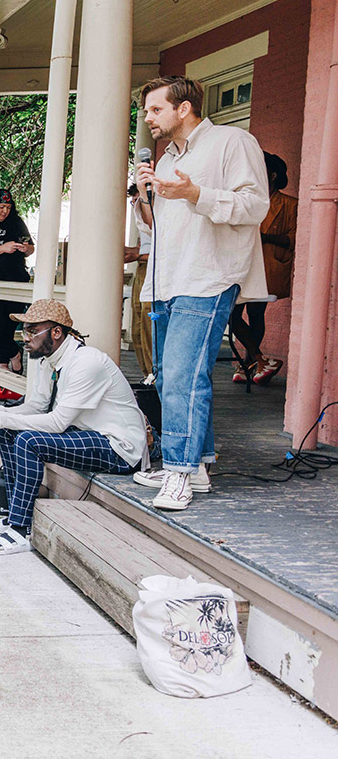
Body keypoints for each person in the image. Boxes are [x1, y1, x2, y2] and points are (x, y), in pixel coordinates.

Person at [137, 75, 269, 511]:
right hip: (168, 278)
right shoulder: (168, 158)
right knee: (168, 373)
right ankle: (197, 466)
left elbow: (255, 206)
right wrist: (144, 198)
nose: (148, 117)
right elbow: (166, 228)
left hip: (209, 277)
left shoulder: (233, 141)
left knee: (181, 376)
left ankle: (177, 473)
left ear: (184, 108)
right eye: (146, 110)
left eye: (156, 109)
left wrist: (195, 192)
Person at [0, 300, 147, 555]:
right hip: (82, 433)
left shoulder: (86, 362)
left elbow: (57, 422)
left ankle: (20, 529)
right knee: (7, 431)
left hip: (117, 446)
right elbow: (37, 406)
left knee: (29, 441)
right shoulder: (45, 358)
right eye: (24, 331)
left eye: (32, 331)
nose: (25, 338)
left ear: (56, 332)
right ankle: (14, 512)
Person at [229, 152, 297, 384]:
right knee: (232, 314)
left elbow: (294, 238)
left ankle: (250, 361)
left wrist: (265, 237)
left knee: (256, 313)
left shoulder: (289, 204)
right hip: (242, 264)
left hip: (267, 266)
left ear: (272, 175)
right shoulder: (249, 199)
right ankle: (258, 360)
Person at [0, 189, 34, 373]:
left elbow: (31, 247)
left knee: (8, 325)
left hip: (15, 280)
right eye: (1, 207)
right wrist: (3, 248)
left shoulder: (16, 222)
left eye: (8, 207)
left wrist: (24, 248)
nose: (5, 211)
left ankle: (3, 369)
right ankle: (14, 353)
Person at [125, 182, 155, 378]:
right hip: (141, 268)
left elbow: (162, 250)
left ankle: (155, 374)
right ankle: (146, 374)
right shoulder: (141, 222)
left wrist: (136, 256)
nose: (135, 205)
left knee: (147, 322)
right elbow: (144, 247)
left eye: (138, 201)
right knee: (136, 325)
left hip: (153, 268)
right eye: (133, 201)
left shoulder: (156, 217)